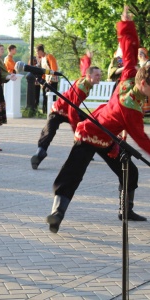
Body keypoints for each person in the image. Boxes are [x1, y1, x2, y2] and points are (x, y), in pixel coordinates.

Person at [46, 6, 149, 234]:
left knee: (130, 170)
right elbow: (141, 139)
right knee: (73, 173)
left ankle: (126, 210)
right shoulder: (130, 108)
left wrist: (126, 25)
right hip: (91, 132)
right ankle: (56, 214)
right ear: (144, 84)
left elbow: (129, 52)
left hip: (108, 137)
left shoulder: (129, 76)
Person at [31, 66, 101, 170]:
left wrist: (87, 58)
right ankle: (39, 153)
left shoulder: (85, 79)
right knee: (49, 131)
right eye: (97, 75)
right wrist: (77, 130)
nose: (99, 77)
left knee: (89, 125)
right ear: (89, 76)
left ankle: (85, 151)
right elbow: (72, 112)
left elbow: (85, 68)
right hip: (60, 109)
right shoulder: (80, 89)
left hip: (71, 108)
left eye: (100, 75)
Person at [35, 44, 59, 113]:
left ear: (40, 51)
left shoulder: (49, 56)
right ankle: (46, 111)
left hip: (52, 80)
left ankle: (53, 111)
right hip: (46, 80)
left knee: (52, 96)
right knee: (45, 96)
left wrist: (50, 79)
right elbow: (43, 71)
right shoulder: (42, 59)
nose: (36, 54)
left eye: (37, 52)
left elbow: (54, 69)